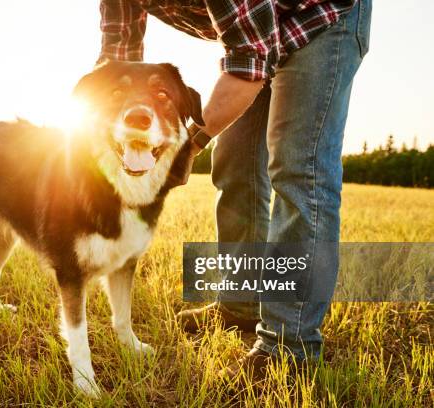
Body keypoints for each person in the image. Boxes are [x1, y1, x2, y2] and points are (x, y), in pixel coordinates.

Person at [97, 0, 372, 380]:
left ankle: (289, 347)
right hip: (260, 31)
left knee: (298, 167)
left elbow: (247, 64)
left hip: (321, 17)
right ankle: (241, 304)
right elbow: (113, 67)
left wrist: (185, 144)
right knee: (234, 162)